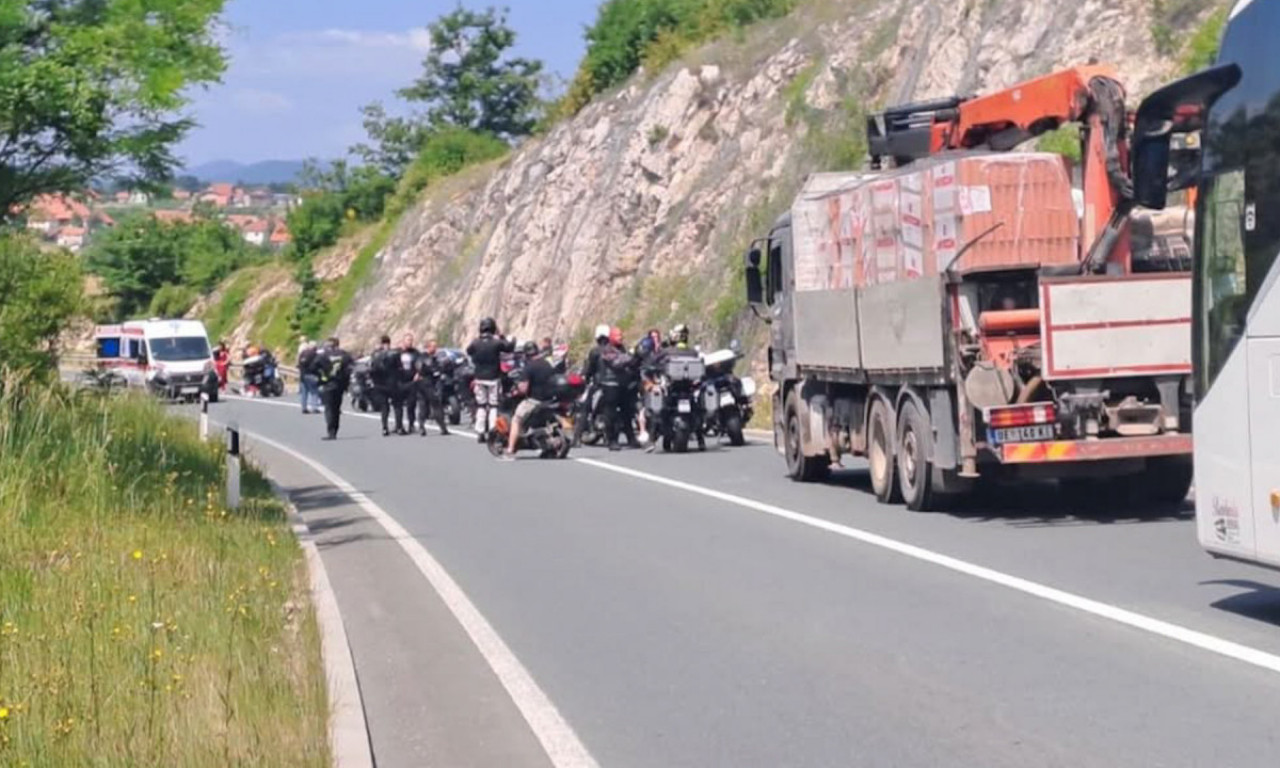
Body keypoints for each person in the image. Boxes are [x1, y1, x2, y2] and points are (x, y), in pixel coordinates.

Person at [503, 341, 557, 460]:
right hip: (549, 400)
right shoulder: (547, 364)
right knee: (539, 424)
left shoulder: (529, 367)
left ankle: (510, 450)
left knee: (516, 419)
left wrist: (516, 391)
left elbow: (523, 388)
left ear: (526, 354)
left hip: (534, 400)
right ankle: (546, 447)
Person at [466, 317, 515, 443]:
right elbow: (509, 347)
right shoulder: (496, 342)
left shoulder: (476, 342)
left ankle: (480, 431)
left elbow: (469, 351)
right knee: (493, 405)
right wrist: (502, 336)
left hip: (479, 377)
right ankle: (493, 431)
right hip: (493, 377)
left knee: (481, 405)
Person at [310, 337, 354, 440]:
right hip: (340, 385)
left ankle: (331, 432)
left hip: (328, 384)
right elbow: (351, 366)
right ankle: (335, 430)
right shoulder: (344, 354)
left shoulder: (323, 355)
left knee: (329, 408)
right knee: (336, 408)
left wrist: (321, 376)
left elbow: (312, 368)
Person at [414, 339, 451, 436]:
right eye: (433, 346)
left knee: (424, 405)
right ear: (428, 347)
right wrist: (435, 371)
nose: (435, 349)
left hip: (425, 383)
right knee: (435, 405)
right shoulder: (424, 358)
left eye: (436, 346)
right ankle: (442, 428)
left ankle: (422, 427)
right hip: (427, 383)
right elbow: (426, 369)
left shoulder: (432, 357)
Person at [368, 335, 396, 436]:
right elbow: (398, 368)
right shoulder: (394, 353)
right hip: (391, 383)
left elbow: (371, 369)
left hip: (380, 383)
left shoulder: (375, 355)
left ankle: (385, 427)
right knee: (396, 405)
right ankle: (398, 426)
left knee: (385, 407)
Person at [392, 333, 420, 435]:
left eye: (411, 340)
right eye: (408, 340)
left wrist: (418, 373)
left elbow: (420, 363)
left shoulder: (415, 353)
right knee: (398, 405)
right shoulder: (396, 352)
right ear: (403, 341)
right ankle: (398, 425)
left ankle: (411, 425)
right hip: (399, 381)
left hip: (411, 381)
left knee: (411, 404)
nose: (410, 342)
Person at [297, 340, 320, 414]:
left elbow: (299, 364)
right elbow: (317, 364)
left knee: (304, 392)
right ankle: (314, 408)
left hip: (302, 375)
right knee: (314, 392)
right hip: (311, 374)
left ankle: (304, 408)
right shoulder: (314, 354)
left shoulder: (302, 353)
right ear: (314, 347)